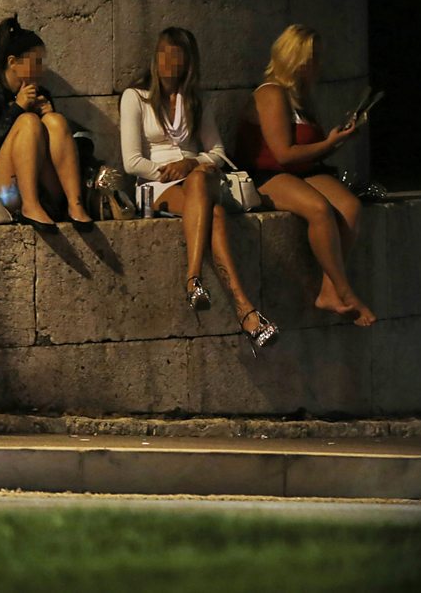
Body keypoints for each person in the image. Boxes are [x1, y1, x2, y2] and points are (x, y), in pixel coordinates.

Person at [121, 27, 278, 353]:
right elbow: (132, 161)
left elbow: (218, 152)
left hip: (196, 181)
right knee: (215, 213)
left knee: (200, 186)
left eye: (176, 55)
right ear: (155, 55)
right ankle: (243, 309)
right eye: (163, 52)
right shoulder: (135, 97)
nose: (168, 61)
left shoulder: (194, 100)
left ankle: (197, 282)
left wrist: (190, 164)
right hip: (155, 185)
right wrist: (168, 172)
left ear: (187, 62)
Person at [236, 24, 375, 327]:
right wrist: (328, 143)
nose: (319, 66)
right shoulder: (271, 93)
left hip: (303, 170)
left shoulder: (300, 97)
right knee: (319, 209)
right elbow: (283, 153)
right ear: (297, 59)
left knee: (350, 207)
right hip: (267, 173)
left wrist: (337, 140)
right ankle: (345, 289)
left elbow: (311, 150)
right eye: (314, 59)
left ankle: (328, 289)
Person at [0, 16, 93, 231]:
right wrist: (16, 109)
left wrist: (47, 116)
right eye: (36, 62)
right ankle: (30, 205)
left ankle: (74, 204)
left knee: (54, 121)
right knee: (28, 122)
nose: (41, 69)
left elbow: (60, 152)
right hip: (1, 188)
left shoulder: (43, 95)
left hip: (44, 184)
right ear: (13, 62)